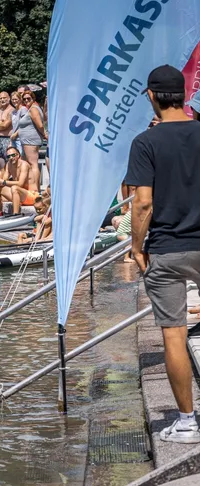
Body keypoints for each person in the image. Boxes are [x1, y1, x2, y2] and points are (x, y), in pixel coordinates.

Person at [126, 64, 200, 443]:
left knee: (174, 335)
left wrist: (136, 247)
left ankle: (187, 422)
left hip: (168, 249)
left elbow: (142, 205)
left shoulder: (146, 142)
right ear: (185, 95)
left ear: (152, 96)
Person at [12, 90, 46, 190]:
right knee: (29, 163)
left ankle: (36, 189)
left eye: (28, 98)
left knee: (33, 164)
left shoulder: (33, 109)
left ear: (33, 98)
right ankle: (32, 187)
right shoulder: (32, 108)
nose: (26, 100)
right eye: (24, 99)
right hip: (28, 139)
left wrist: (44, 135)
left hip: (30, 140)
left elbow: (40, 125)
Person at [0, 146, 35, 214]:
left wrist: (3, 182)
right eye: (8, 156)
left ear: (18, 155)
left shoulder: (24, 165)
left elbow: (20, 183)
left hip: (32, 196)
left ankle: (15, 214)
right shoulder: (9, 164)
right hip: (20, 195)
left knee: (14, 188)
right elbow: (4, 179)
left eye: (13, 155)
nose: (11, 158)